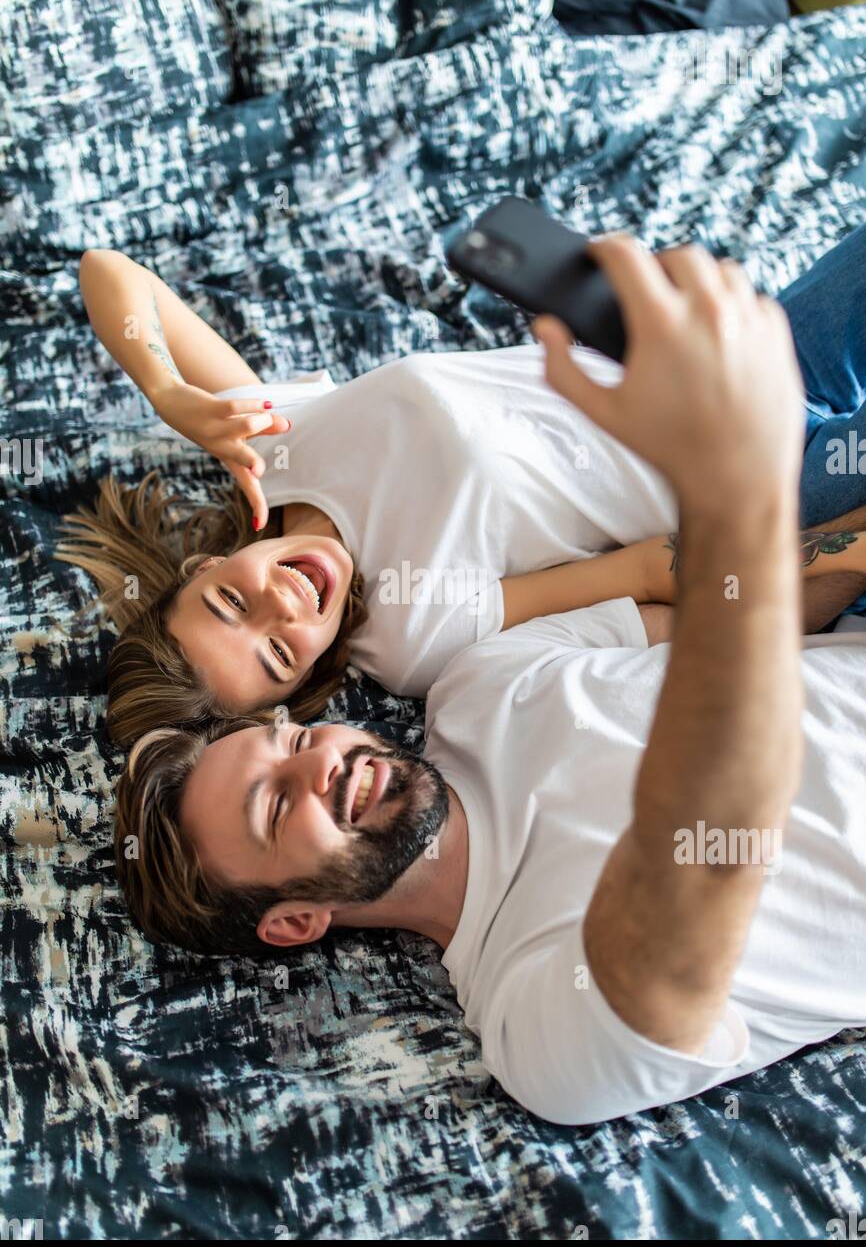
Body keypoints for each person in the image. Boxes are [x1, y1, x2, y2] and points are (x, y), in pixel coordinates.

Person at [112, 239, 866, 1125]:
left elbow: (757, 606)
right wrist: (737, 494)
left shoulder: (483, 683)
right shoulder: (536, 1023)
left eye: (293, 741)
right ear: (291, 923)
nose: (318, 766)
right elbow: (709, 861)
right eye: (278, 809)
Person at [62, 225, 866, 744]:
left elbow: (110, 271)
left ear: (203, 568)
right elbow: (647, 573)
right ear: (305, 680)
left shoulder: (271, 451)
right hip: (762, 478)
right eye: (277, 653)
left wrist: (169, 394)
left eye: (230, 603)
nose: (283, 607)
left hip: (718, 362)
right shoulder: (413, 637)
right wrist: (830, 558)